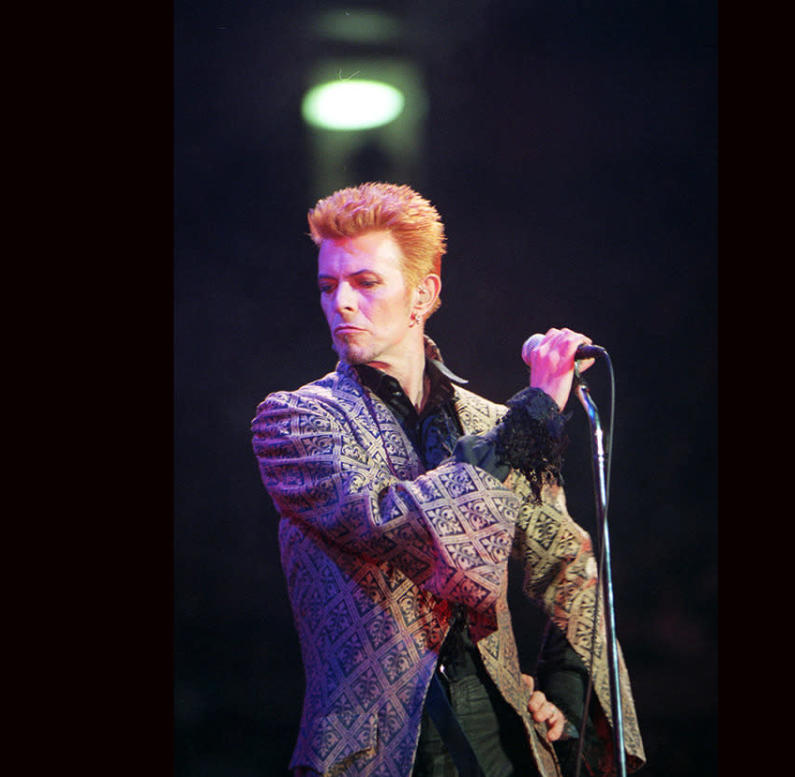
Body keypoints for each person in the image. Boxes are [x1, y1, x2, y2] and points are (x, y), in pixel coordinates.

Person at [251, 182, 645, 777]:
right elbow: (397, 521)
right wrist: (535, 412)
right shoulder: (294, 420)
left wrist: (567, 701)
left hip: (499, 745)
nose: (342, 304)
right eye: (328, 286)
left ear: (423, 292)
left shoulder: (490, 421)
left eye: (365, 282)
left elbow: (570, 566)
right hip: (372, 755)